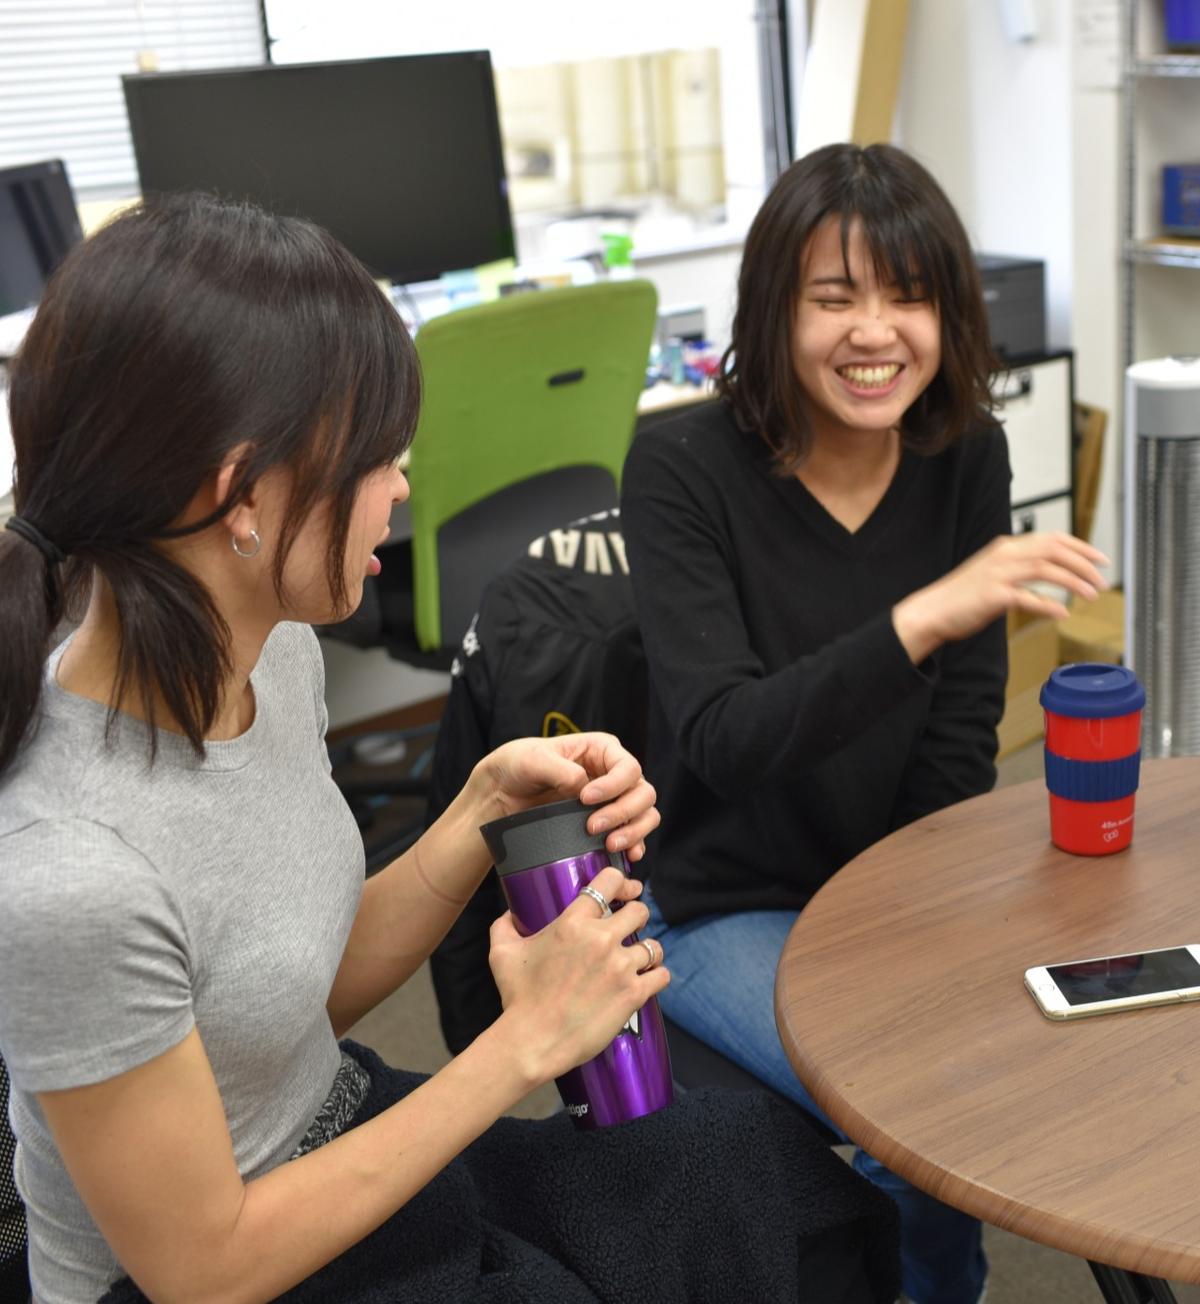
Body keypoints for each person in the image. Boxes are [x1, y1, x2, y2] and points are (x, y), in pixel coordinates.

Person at [0, 194, 897, 1304]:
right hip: (226, 1271)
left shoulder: (271, 654)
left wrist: (480, 811)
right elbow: (206, 1268)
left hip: (331, 1136)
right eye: (378, 458)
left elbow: (282, 1003)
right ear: (240, 497)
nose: (403, 488)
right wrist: (524, 1043)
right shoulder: (70, 875)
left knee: (766, 1179)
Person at [620, 142, 1107, 1304]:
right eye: (833, 298)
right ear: (773, 309)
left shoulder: (965, 452)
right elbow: (725, 738)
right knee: (927, 1099)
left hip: (886, 884)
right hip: (713, 898)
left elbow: (960, 732)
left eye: (908, 296)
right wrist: (928, 613)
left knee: (1083, 1043)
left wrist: (915, 916)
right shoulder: (680, 464)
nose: (874, 332)